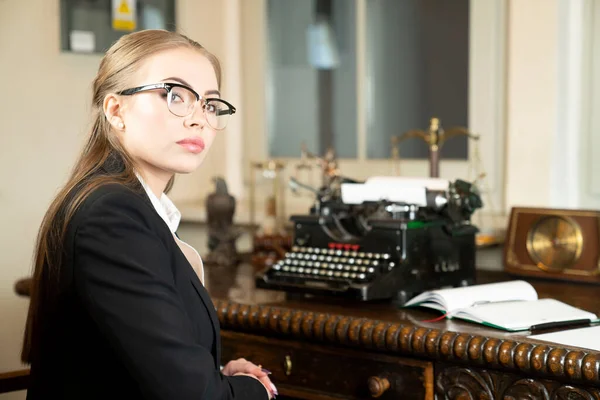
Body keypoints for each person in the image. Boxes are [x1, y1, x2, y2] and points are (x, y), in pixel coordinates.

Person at [21, 29, 277, 400]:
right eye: (175, 96)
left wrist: (220, 376)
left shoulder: (130, 207)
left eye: (208, 103)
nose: (198, 119)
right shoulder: (111, 216)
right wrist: (253, 389)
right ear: (116, 110)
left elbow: (130, 366)